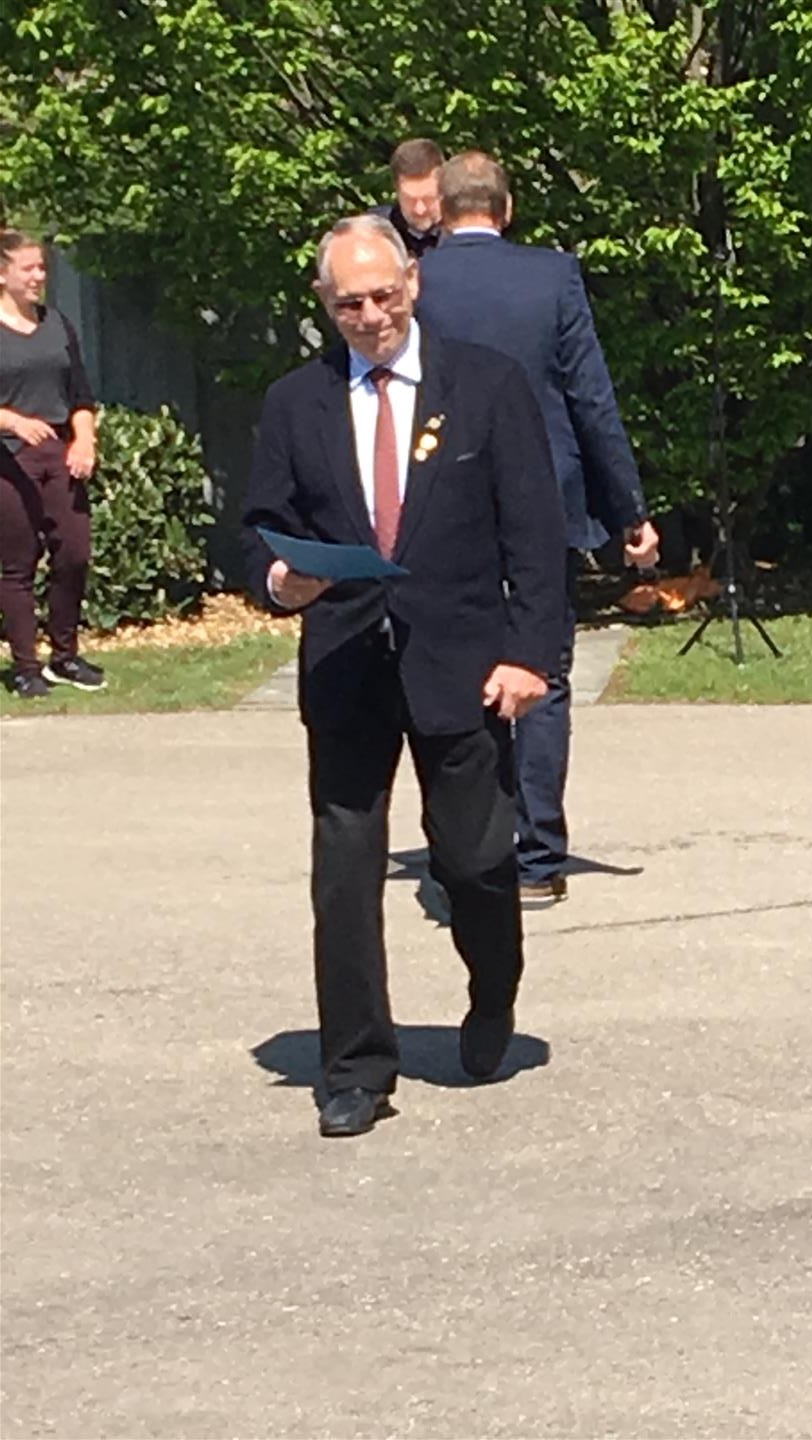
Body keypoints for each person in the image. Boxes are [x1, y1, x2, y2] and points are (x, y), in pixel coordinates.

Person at [242, 214, 565, 1139]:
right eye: (350, 303)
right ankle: (354, 1066)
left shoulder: (486, 386)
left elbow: (535, 534)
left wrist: (529, 655)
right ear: (325, 303)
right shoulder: (295, 403)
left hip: (464, 663)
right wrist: (279, 578)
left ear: (413, 284)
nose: (371, 316)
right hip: (346, 662)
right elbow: (258, 526)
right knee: (344, 869)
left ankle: (493, 986)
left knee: (474, 858)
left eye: (384, 295)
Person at [417, 151, 660, 903]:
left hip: (442, 500)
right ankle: (538, 856)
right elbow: (591, 397)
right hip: (544, 498)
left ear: (440, 210)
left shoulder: (415, 281)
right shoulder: (553, 277)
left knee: (456, 670)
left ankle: (467, 847)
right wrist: (629, 510)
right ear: (508, 208)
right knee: (543, 671)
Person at [0, 230, 106, 698]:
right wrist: (13, 421)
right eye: (28, 268)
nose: (39, 276)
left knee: (74, 553)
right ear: (3, 273)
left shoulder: (57, 324)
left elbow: (81, 395)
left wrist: (84, 441)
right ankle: (27, 666)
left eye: (42, 267)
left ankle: (65, 656)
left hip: (59, 452)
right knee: (18, 564)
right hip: (9, 458)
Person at [371, 138, 444, 260]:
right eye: (410, 200)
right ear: (396, 189)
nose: (420, 210)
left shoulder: (466, 228)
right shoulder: (375, 232)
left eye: (428, 199)